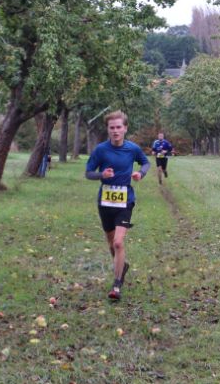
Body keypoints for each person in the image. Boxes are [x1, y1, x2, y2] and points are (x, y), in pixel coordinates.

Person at [85, 110, 149, 300]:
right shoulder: (100, 150)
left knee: (118, 242)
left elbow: (145, 163)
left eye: (118, 127)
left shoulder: (133, 149)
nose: (115, 131)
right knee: (111, 243)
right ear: (108, 129)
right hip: (105, 202)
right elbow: (88, 173)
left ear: (125, 128)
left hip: (125, 200)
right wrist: (101, 175)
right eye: (112, 127)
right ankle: (122, 265)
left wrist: (140, 173)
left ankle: (117, 284)